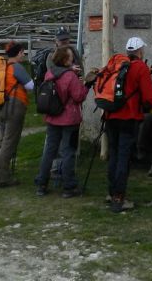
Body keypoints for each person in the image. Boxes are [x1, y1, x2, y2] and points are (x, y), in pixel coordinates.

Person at [105, 37, 152, 213]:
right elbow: (149, 96)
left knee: (113, 154)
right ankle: (119, 197)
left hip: (111, 114)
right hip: (128, 116)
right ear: (140, 50)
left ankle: (112, 192)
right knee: (123, 156)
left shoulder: (116, 64)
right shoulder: (140, 67)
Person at [34, 46, 95, 198]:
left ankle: (41, 184)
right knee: (68, 152)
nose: (72, 58)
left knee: (49, 151)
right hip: (69, 119)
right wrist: (87, 84)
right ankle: (69, 186)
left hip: (53, 117)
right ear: (65, 59)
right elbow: (79, 96)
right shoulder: (70, 77)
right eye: (69, 56)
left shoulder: (50, 73)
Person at [0, 42, 33, 188]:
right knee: (9, 142)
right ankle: (2, 178)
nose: (23, 55)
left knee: (1, 140)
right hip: (15, 106)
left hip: (1, 106)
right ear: (18, 53)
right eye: (22, 52)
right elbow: (31, 86)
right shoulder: (16, 67)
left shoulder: (2, 67)